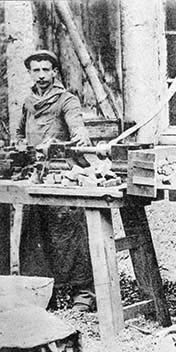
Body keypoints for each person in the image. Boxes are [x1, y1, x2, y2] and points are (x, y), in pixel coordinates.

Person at [15, 50, 95, 311]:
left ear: (54, 72)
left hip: (61, 175)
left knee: (69, 236)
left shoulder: (66, 100)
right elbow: (18, 133)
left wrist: (80, 135)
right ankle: (43, 295)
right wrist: (20, 146)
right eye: (35, 70)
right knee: (36, 236)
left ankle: (83, 295)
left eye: (45, 70)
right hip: (35, 176)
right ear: (30, 73)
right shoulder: (28, 102)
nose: (40, 75)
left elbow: (76, 123)